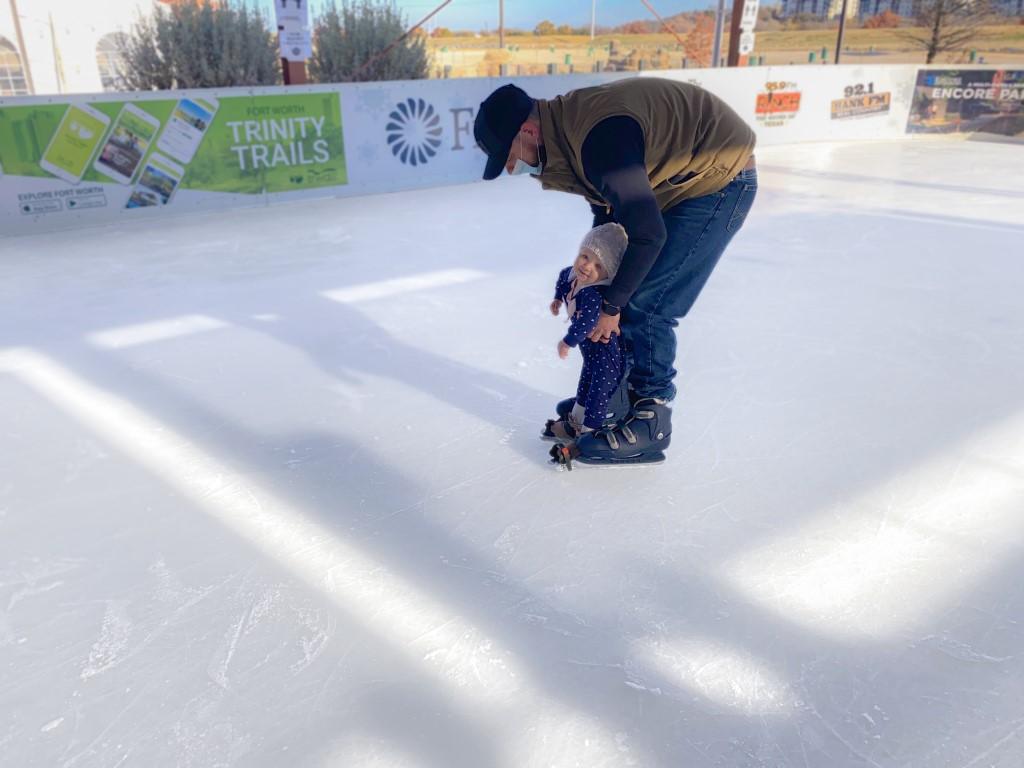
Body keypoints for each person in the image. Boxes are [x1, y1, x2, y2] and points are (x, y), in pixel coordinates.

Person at [474, 77, 758, 465]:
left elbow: (647, 235)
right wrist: (598, 279)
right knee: (621, 285)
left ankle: (651, 420)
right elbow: (611, 217)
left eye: (510, 154)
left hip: (720, 178)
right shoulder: (567, 129)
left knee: (648, 302)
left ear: (527, 130)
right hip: (676, 180)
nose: (512, 166)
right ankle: (614, 397)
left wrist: (611, 306)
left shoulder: (598, 142)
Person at [543, 223, 628, 442]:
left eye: (599, 266)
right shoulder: (573, 275)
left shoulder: (593, 292)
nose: (588, 267)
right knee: (585, 383)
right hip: (590, 351)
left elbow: (587, 323)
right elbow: (563, 278)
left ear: (608, 274)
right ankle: (575, 422)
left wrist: (567, 342)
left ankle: (590, 434)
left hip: (606, 353)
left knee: (597, 393)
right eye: (585, 256)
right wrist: (556, 299)